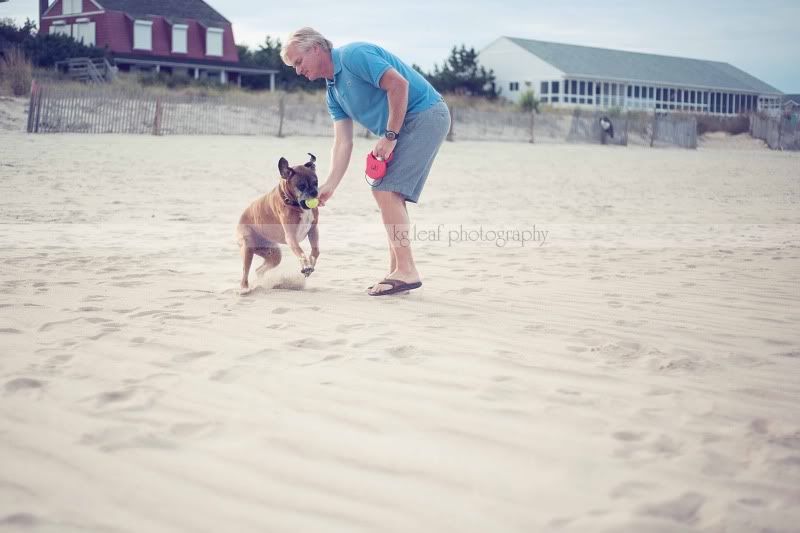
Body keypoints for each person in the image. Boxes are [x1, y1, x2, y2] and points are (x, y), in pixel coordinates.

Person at [281, 28, 451, 296]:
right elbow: (343, 142)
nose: (298, 71)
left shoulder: (353, 55)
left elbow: (399, 85)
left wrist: (390, 135)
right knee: (388, 193)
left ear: (315, 48)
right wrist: (330, 185)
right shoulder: (332, 92)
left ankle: (406, 271)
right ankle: (398, 271)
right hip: (407, 124)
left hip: (425, 115)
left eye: (298, 62)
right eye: (293, 67)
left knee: (384, 190)